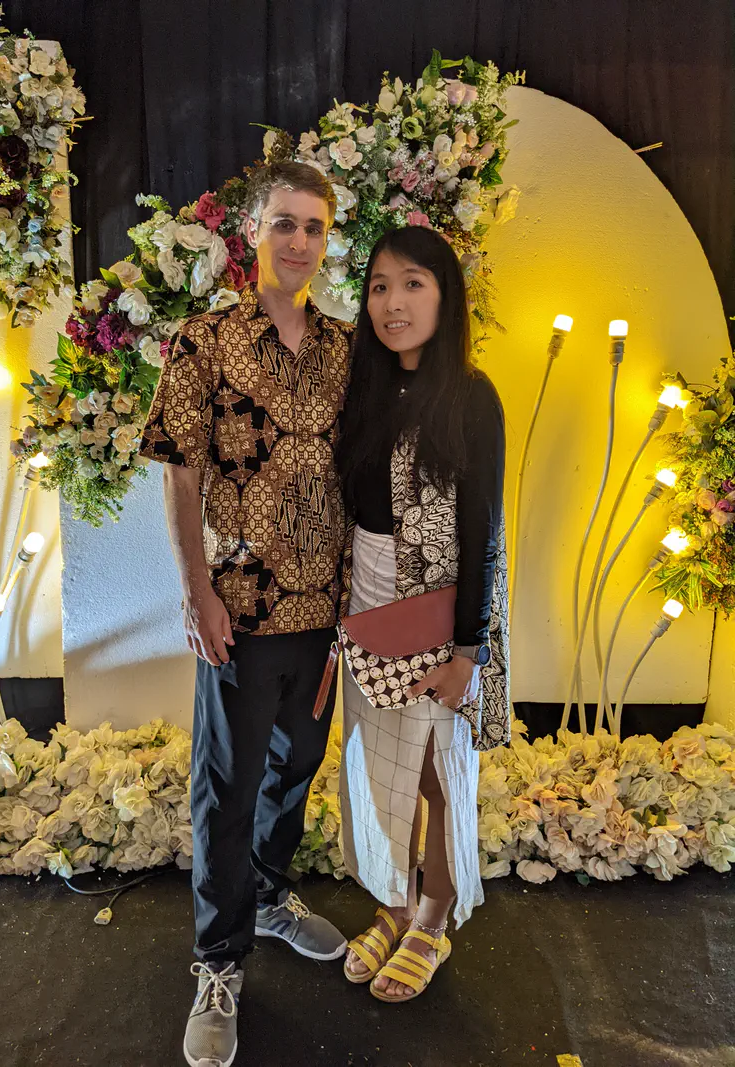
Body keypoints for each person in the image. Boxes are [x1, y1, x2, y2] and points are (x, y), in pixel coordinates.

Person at [139, 161, 354, 1067]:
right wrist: (194, 593)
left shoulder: (348, 349)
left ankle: (267, 896)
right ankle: (218, 962)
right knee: (226, 789)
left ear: (326, 237)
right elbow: (180, 470)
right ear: (250, 230)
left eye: (312, 226)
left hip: (323, 609)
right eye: (283, 223)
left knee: (296, 765)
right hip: (239, 607)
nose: (298, 241)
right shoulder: (203, 341)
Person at [335, 225, 511, 1003]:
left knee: (438, 771)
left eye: (413, 284)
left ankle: (433, 915)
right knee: (381, 768)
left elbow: (481, 531)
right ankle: (395, 900)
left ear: (445, 295)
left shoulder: (472, 396)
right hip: (368, 603)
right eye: (379, 285)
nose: (393, 302)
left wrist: (467, 651)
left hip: (439, 615)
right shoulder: (365, 387)